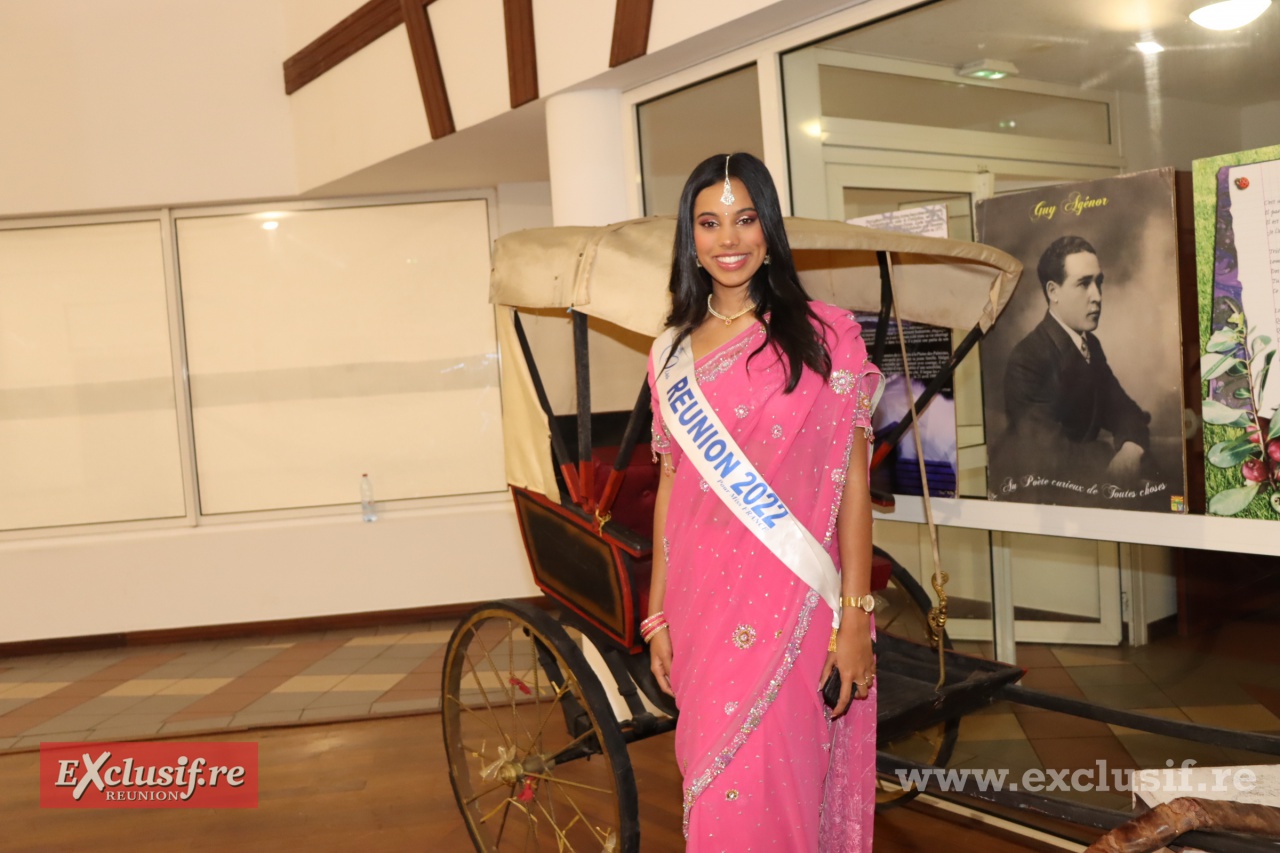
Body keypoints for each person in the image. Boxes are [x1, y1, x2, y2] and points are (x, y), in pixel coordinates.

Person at [643, 152, 882, 851]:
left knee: (776, 786)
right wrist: (657, 612)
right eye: (709, 223)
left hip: (794, 605)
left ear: (769, 230)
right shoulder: (669, 353)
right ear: (690, 239)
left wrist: (855, 616)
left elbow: (854, 482)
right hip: (700, 605)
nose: (729, 239)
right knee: (715, 791)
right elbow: (670, 484)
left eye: (745, 219)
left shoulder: (826, 335)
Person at [996, 235, 1150, 494]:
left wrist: (1131, 449)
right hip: (1038, 497)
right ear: (1053, 292)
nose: (1097, 296)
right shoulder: (1027, 359)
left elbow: (1126, 411)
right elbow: (1049, 457)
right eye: (1083, 284)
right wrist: (1112, 457)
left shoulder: (1090, 346)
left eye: (1099, 283)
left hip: (1084, 489)